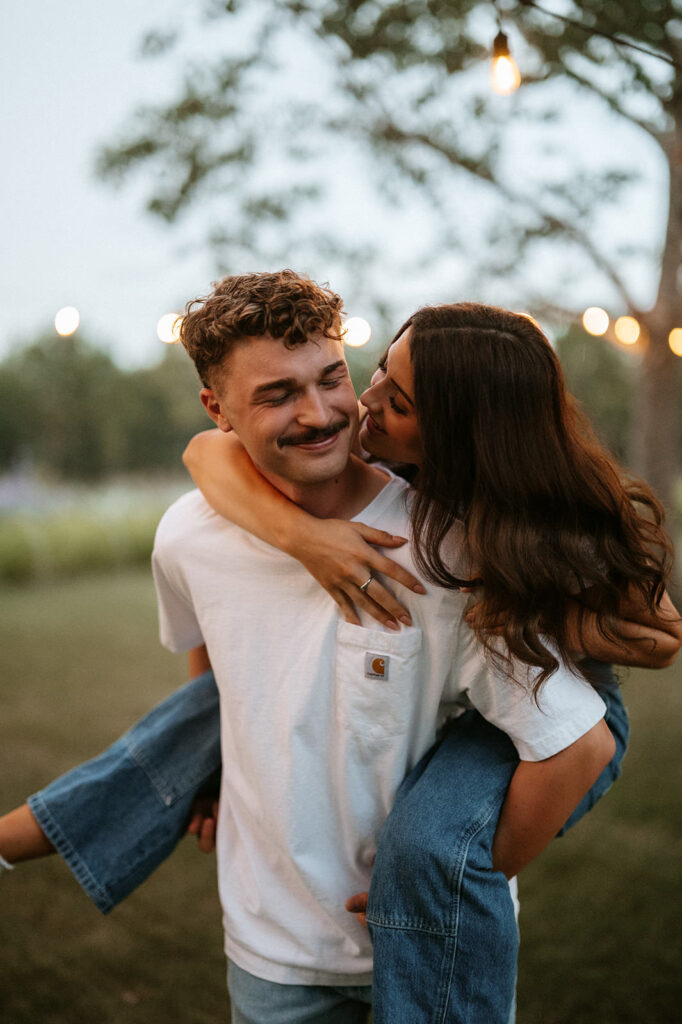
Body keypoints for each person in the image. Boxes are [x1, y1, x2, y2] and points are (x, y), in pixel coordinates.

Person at [0, 272, 677, 1024]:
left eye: (333, 380)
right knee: (182, 729)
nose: (327, 413)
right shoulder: (188, 536)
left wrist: (451, 882)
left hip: (426, 936)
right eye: (279, 393)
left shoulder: (454, 548)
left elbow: (586, 731)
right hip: (272, 952)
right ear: (216, 408)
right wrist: (229, 750)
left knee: (426, 836)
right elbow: (210, 650)